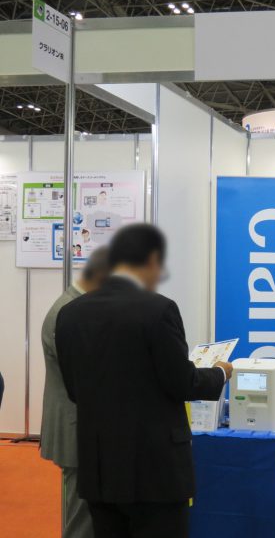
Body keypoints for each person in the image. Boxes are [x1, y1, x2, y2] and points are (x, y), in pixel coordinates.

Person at [56, 223, 233, 538]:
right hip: (155, 471)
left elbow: (74, 390)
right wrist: (219, 372)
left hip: (99, 469)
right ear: (151, 260)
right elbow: (182, 382)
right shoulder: (159, 310)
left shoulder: (70, 313)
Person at [40, 247, 111, 538]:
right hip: (75, 427)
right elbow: (84, 375)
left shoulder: (74, 307)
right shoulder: (68, 312)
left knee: (83, 511)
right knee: (81, 517)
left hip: (79, 425)